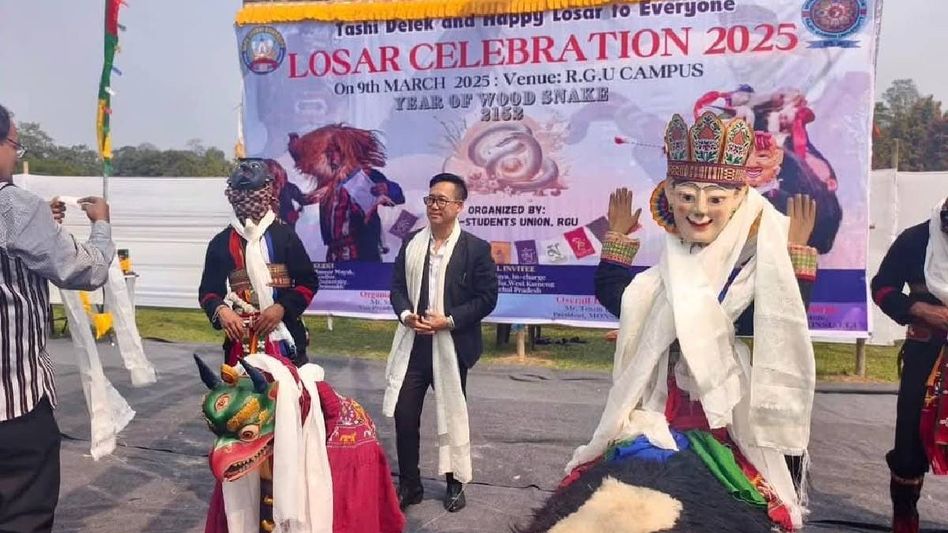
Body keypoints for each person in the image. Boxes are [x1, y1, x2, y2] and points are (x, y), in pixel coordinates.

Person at [525, 113, 820, 532]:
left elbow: (779, 317)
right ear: (670, 199)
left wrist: (796, 256)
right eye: (687, 196)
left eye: (715, 199)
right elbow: (618, 296)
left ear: (738, 203)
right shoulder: (656, 280)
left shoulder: (745, 277)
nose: (699, 209)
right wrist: (618, 239)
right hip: (650, 410)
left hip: (721, 418)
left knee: (767, 491)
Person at [0, 103, 114, 533]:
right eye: (15, 144)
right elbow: (87, 270)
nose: (15, 154)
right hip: (12, 407)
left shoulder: (22, 214)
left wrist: (39, 226)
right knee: (21, 516)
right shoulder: (14, 207)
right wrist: (101, 226)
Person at [382, 173, 498, 513]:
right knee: (404, 416)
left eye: (441, 200)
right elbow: (397, 289)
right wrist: (406, 316)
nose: (433, 205)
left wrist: (448, 320)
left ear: (459, 207)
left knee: (451, 414)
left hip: (453, 344)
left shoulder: (475, 249)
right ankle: (410, 485)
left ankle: (454, 483)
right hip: (414, 344)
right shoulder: (413, 243)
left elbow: (487, 297)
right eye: (430, 199)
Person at [871, 197, 948, 533]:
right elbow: (882, 287)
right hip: (925, 355)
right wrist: (920, 309)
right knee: (910, 440)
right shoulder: (915, 239)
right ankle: (905, 517)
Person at [198, 158, 318, 367]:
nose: (248, 200)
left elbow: (308, 282)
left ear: (267, 193)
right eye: (241, 194)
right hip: (240, 346)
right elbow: (208, 292)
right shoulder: (221, 243)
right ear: (232, 196)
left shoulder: (285, 236)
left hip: (287, 339)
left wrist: (281, 308)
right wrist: (222, 310)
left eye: (253, 193)